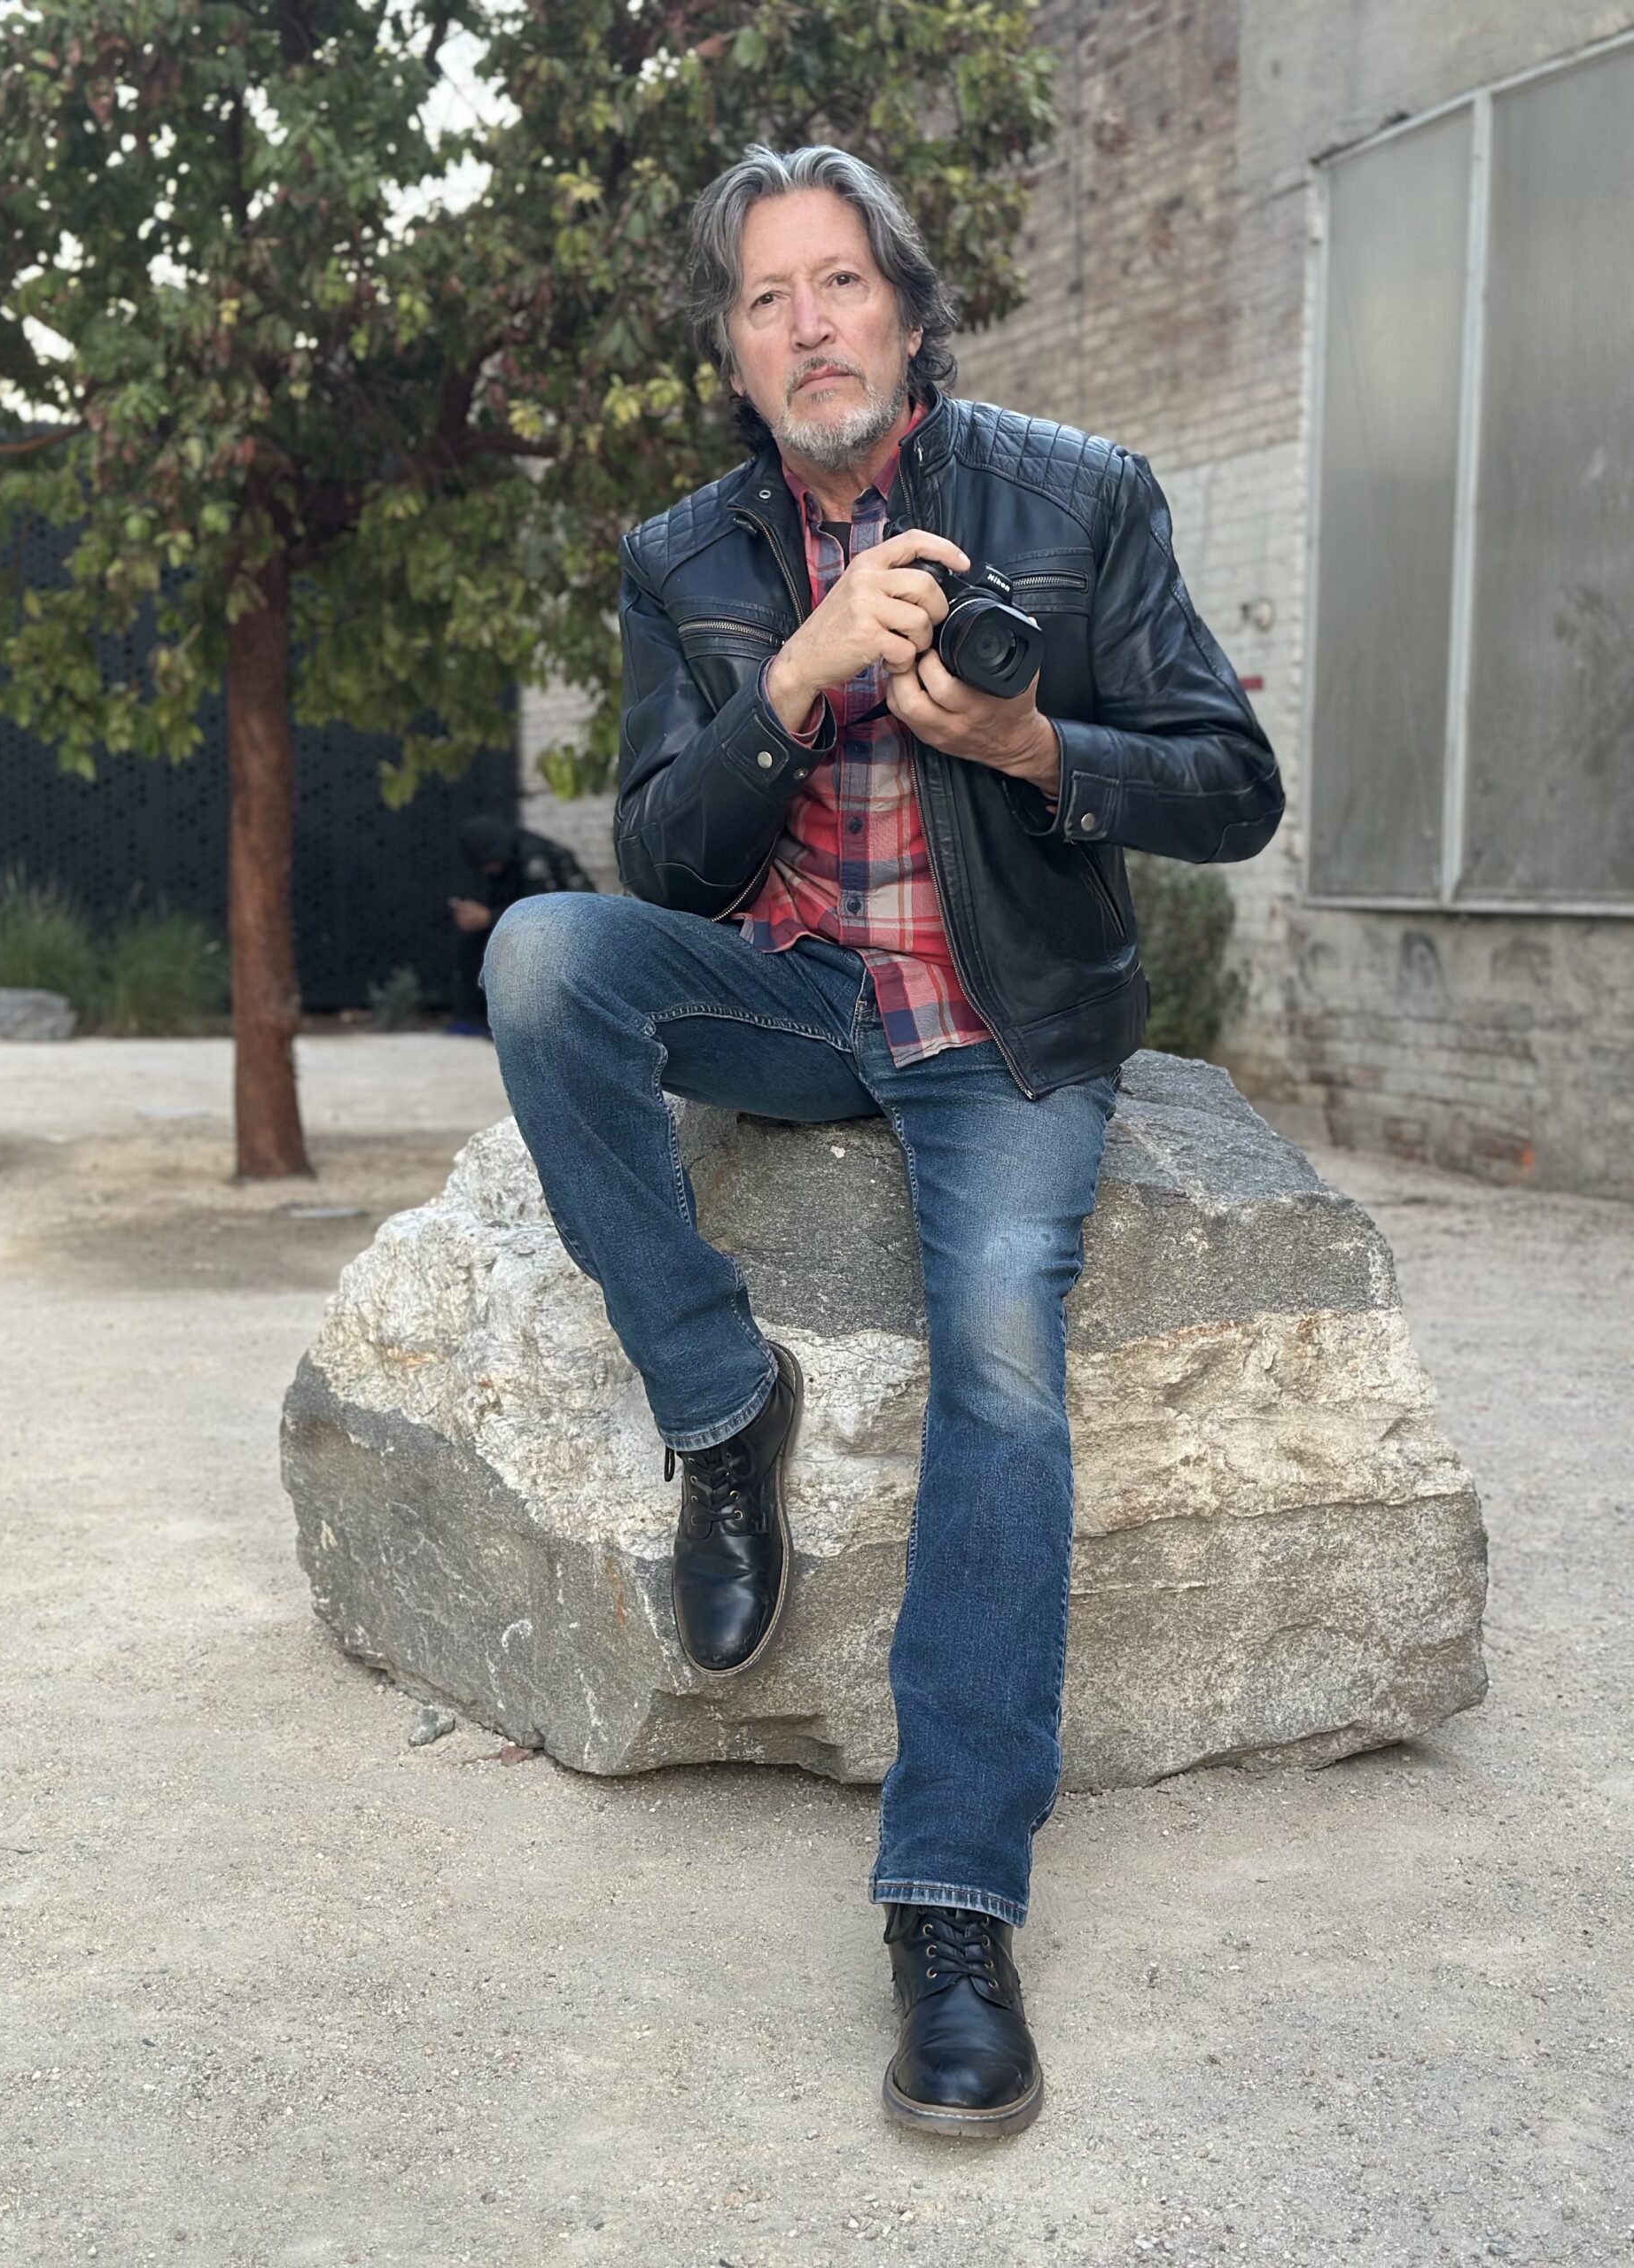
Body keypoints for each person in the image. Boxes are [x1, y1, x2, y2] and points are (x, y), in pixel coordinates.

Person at [483, 144, 1283, 2137]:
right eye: (766, 299)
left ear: (912, 317)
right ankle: (719, 1403)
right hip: (796, 995)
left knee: (1001, 1360)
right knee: (541, 959)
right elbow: (662, 859)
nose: (809, 324)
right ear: (735, 359)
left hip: (1003, 1023)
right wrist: (793, 679)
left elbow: (1234, 784)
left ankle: (952, 1903)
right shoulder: (684, 558)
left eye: (840, 282)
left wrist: (1032, 743)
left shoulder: (1079, 496)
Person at [447, 813, 593, 1031]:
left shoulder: (534, 857)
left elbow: (545, 912)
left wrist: (489, 917)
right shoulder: (511, 858)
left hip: (570, 933)